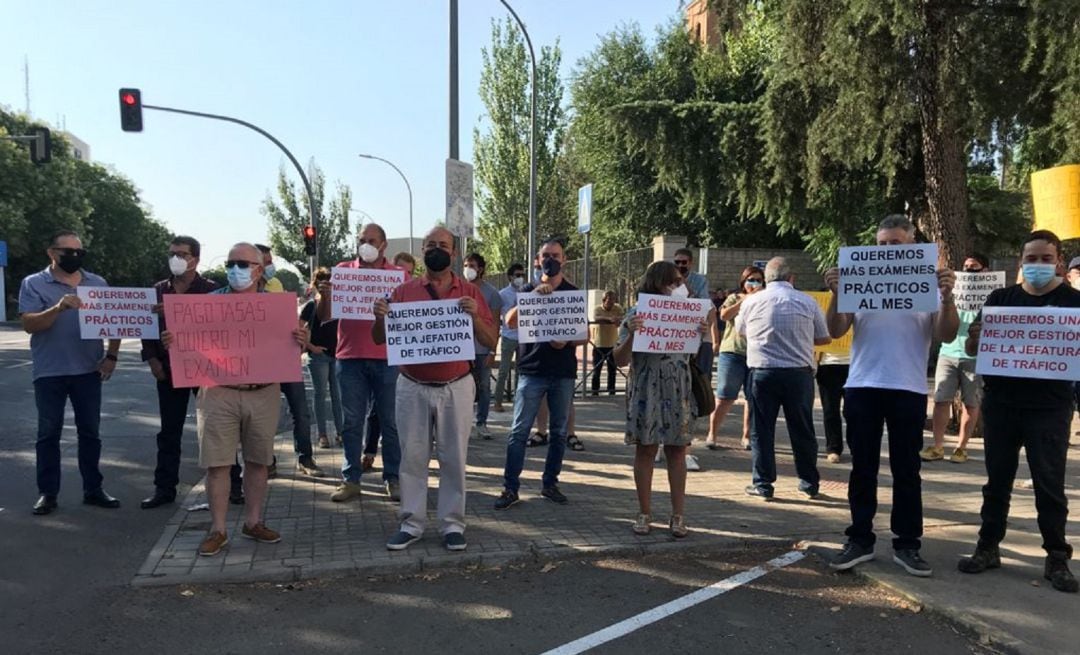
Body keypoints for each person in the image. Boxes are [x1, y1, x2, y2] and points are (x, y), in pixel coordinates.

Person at [825, 214, 958, 578]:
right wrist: (838, 293)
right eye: (882, 245)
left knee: (907, 470)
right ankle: (860, 539)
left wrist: (947, 299)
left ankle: (907, 544)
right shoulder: (859, 280)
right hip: (863, 385)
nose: (887, 251)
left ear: (912, 245)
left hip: (908, 387)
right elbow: (834, 328)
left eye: (895, 244)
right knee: (862, 467)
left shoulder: (929, 286)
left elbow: (946, 335)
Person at [162, 242, 310, 556]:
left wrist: (302, 341)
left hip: (263, 393)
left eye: (242, 263)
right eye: (231, 263)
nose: (235, 269)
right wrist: (175, 340)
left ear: (259, 269)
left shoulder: (278, 308)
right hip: (218, 393)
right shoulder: (207, 304)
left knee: (258, 462)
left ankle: (253, 522)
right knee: (218, 464)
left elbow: (293, 351)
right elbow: (190, 344)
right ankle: (218, 529)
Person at [957, 230, 1080, 593]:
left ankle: (1057, 558)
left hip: (1050, 408)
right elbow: (970, 343)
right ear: (1020, 263)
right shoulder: (1000, 299)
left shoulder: (1075, 303)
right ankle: (987, 546)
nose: (1038, 265)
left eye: (1046, 259)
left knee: (1049, 485)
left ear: (1058, 262)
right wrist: (976, 337)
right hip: (1002, 404)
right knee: (997, 481)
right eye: (1031, 259)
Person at [375, 227, 497, 552]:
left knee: (454, 458)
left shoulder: (469, 292)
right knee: (412, 457)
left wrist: (474, 319)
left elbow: (490, 341)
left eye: (443, 245)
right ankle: (410, 523)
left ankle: (452, 525)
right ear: (422, 250)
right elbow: (379, 338)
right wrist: (379, 317)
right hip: (412, 386)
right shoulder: (403, 292)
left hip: (455, 386)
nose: (437, 250)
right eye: (431, 245)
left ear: (454, 253)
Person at [19, 230, 122, 515]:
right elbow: (29, 324)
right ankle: (48, 493)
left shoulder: (97, 283)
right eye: (68, 252)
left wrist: (112, 355)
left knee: (90, 432)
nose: (74, 257)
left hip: (88, 370)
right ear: (52, 253)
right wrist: (58, 307)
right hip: (49, 371)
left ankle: (93, 488)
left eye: (80, 252)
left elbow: (115, 321)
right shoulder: (34, 284)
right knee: (48, 433)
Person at [614, 261, 707, 537]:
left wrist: (699, 334)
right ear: (659, 284)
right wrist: (631, 333)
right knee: (646, 449)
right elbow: (619, 359)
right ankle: (644, 513)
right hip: (647, 389)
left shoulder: (688, 315)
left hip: (678, 389)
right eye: (675, 282)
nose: (681, 288)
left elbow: (687, 356)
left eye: (681, 282)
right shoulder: (636, 314)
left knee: (678, 450)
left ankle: (678, 516)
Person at [495, 237, 583, 509]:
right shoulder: (529, 289)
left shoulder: (572, 292)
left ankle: (550, 484)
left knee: (558, 432)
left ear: (564, 259)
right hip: (531, 371)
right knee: (519, 432)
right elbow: (509, 322)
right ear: (538, 260)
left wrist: (566, 341)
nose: (551, 260)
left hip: (563, 372)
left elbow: (583, 336)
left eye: (556, 255)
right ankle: (510, 488)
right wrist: (533, 296)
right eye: (546, 255)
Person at [320, 224, 403, 502]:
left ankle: (393, 477)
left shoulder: (397, 277)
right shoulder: (343, 271)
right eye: (361, 240)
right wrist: (326, 295)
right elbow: (325, 316)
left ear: (383, 245)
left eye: (371, 240)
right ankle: (350, 479)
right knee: (352, 422)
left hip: (388, 359)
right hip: (350, 358)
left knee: (390, 422)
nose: (365, 244)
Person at [736, 257, 831, 500]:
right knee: (802, 429)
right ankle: (809, 483)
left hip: (762, 373)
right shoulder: (808, 302)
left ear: (765, 279)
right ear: (792, 278)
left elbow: (742, 332)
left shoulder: (752, 302)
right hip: (798, 374)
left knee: (761, 430)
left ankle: (763, 484)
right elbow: (824, 338)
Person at [139, 236, 219, 509]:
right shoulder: (158, 291)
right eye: (172, 254)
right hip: (169, 370)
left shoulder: (211, 290)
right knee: (169, 432)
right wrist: (152, 359)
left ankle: (230, 485)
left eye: (182, 254)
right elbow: (146, 330)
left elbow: (220, 331)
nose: (176, 259)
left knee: (216, 430)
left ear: (195, 259)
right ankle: (164, 489)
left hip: (204, 370)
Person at [254, 244, 321, 478]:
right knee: (263, 416)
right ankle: (267, 461)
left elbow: (287, 323)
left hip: (286, 359)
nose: (271, 266)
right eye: (266, 261)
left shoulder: (276, 286)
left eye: (271, 261)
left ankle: (306, 458)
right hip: (260, 365)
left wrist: (300, 337)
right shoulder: (239, 296)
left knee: (301, 412)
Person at [922, 253, 990, 464]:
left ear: (985, 271)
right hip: (948, 352)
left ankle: (961, 447)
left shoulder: (992, 294)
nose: (969, 270)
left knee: (971, 403)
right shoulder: (952, 291)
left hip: (976, 356)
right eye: (966, 266)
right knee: (941, 400)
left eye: (975, 267)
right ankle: (938, 445)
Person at [704, 266, 764, 451]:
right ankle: (712, 433)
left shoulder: (765, 300)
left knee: (752, 398)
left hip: (756, 355)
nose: (753, 283)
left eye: (758, 280)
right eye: (750, 279)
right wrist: (744, 300)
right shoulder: (734, 297)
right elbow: (723, 315)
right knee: (724, 396)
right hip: (732, 353)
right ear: (743, 282)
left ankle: (747, 436)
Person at [673, 248, 716, 472]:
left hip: (696, 342)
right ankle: (667, 444)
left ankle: (686, 450)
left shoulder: (699, 281)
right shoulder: (668, 278)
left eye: (684, 263)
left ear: (691, 263)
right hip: (673, 342)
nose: (680, 266)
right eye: (676, 262)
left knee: (691, 395)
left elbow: (701, 305)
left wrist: (684, 284)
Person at [301, 268, 343, 450]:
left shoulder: (341, 303)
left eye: (329, 284)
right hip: (319, 357)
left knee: (338, 396)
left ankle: (341, 433)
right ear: (316, 285)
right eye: (322, 283)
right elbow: (298, 330)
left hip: (338, 355)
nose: (327, 288)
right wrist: (312, 348)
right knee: (320, 395)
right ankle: (322, 434)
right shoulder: (311, 306)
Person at [464, 252, 503, 439]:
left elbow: (495, 323)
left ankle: (482, 423)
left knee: (484, 387)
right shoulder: (458, 289)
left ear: (480, 268)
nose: (468, 269)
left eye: (472, 265)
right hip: (461, 350)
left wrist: (493, 349)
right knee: (463, 388)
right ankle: (464, 423)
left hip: (482, 349)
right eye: (465, 265)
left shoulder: (492, 294)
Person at [493, 263, 526, 411]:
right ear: (510, 277)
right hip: (508, 336)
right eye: (517, 275)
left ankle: (518, 402)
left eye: (522, 275)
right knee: (503, 371)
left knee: (521, 371)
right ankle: (498, 402)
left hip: (523, 337)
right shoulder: (503, 294)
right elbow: (497, 314)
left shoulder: (526, 292)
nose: (520, 278)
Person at [815, 349, 850, 464]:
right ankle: (833, 448)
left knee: (854, 412)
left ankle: (857, 447)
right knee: (830, 411)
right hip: (827, 364)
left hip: (854, 363)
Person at [591, 290, 623, 395]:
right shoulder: (598, 308)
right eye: (609, 301)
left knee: (612, 370)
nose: (611, 303)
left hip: (612, 344)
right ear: (604, 301)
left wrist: (617, 319)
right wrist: (610, 319)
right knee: (596, 370)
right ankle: (595, 391)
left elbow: (622, 318)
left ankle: (611, 391)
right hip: (599, 343)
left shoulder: (617, 308)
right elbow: (596, 318)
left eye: (613, 300)